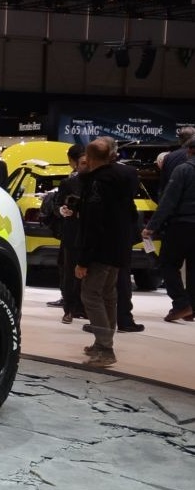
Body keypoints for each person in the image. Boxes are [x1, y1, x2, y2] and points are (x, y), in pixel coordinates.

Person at [75, 137, 137, 367]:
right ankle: (103, 341)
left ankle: (105, 348)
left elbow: (93, 224)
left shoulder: (97, 183)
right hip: (119, 246)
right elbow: (132, 214)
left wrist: (83, 260)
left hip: (100, 249)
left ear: (89, 158)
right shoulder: (126, 177)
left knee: (90, 295)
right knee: (108, 294)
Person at [142, 135, 195, 323]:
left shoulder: (183, 170)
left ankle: (181, 304)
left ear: (190, 150)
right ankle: (191, 308)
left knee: (167, 264)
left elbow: (168, 201)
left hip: (182, 225)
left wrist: (152, 226)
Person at [43, 144, 86, 322]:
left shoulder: (98, 182)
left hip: (91, 233)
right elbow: (58, 205)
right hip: (72, 232)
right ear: (76, 164)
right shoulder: (68, 183)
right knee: (69, 271)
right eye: (82, 163)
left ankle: (84, 307)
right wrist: (62, 210)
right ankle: (69, 309)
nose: (85, 166)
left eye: (88, 162)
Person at [108, 138, 146, 333]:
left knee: (99, 280)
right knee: (122, 277)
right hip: (123, 231)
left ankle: (102, 322)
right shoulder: (129, 172)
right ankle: (124, 319)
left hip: (100, 232)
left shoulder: (92, 174)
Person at [159, 127, 195, 197]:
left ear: (179, 140)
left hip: (172, 197)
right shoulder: (191, 155)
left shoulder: (168, 157)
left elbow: (163, 184)